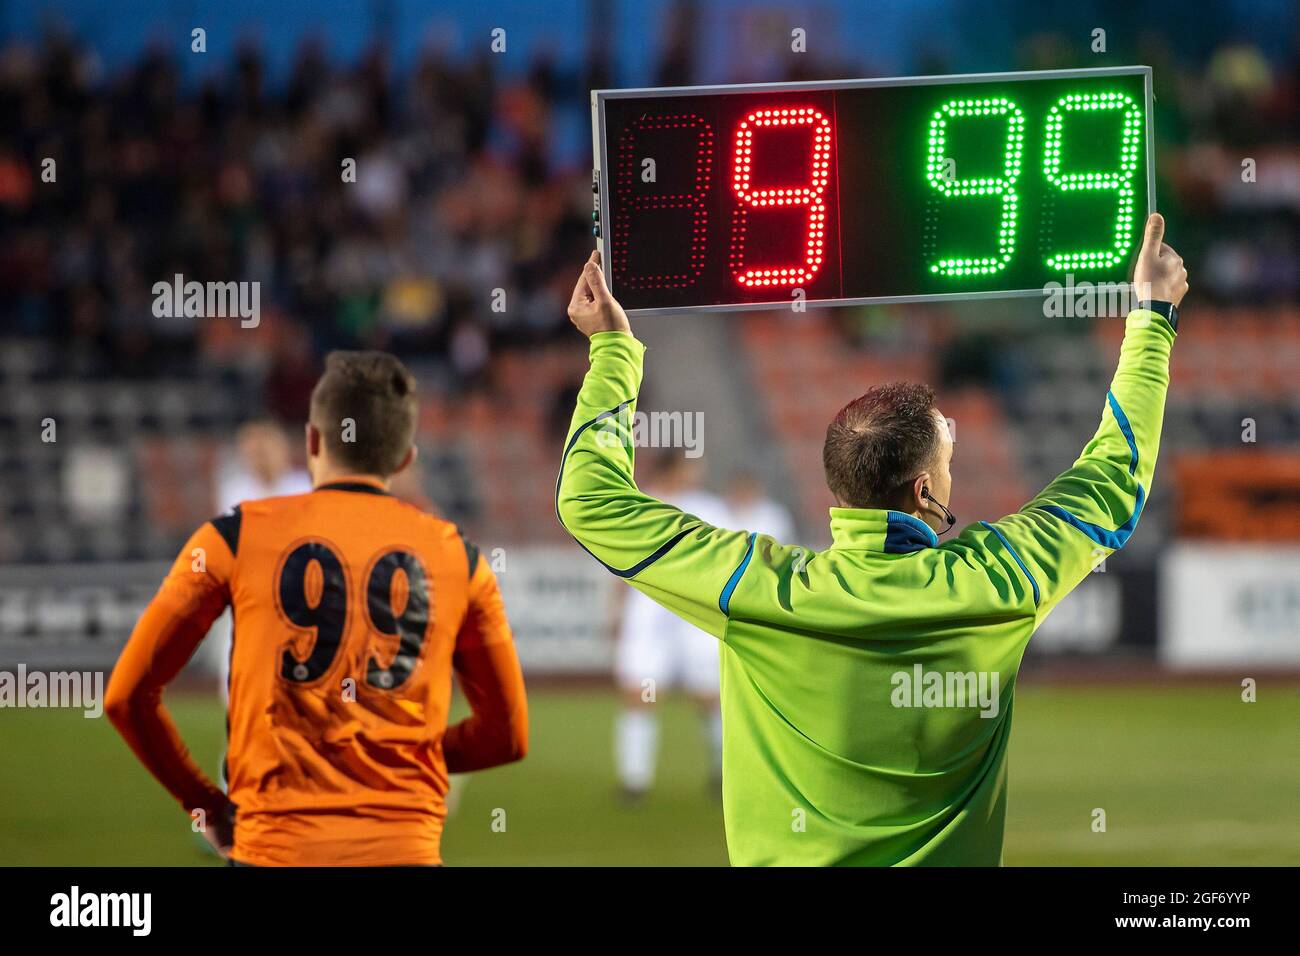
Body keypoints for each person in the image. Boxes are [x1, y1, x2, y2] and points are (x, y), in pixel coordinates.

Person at [557, 214, 1187, 865]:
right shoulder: (1002, 580)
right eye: (946, 460)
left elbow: (589, 501)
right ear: (922, 490)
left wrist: (612, 350)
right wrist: (1151, 316)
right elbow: (1114, 478)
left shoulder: (758, 588)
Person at [107, 351, 528, 866]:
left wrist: (206, 806)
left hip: (273, 850)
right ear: (404, 460)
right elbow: (507, 734)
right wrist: (406, 753)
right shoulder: (460, 558)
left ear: (310, 442)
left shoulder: (233, 535)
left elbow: (126, 697)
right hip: (403, 850)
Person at [613, 456, 729, 801]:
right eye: (689, 469)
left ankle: (722, 774)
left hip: (696, 609)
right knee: (639, 695)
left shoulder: (709, 508)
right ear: (671, 470)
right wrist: (616, 607)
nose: (696, 475)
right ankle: (634, 781)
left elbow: (728, 556)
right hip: (649, 609)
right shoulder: (641, 504)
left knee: (711, 696)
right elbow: (617, 560)